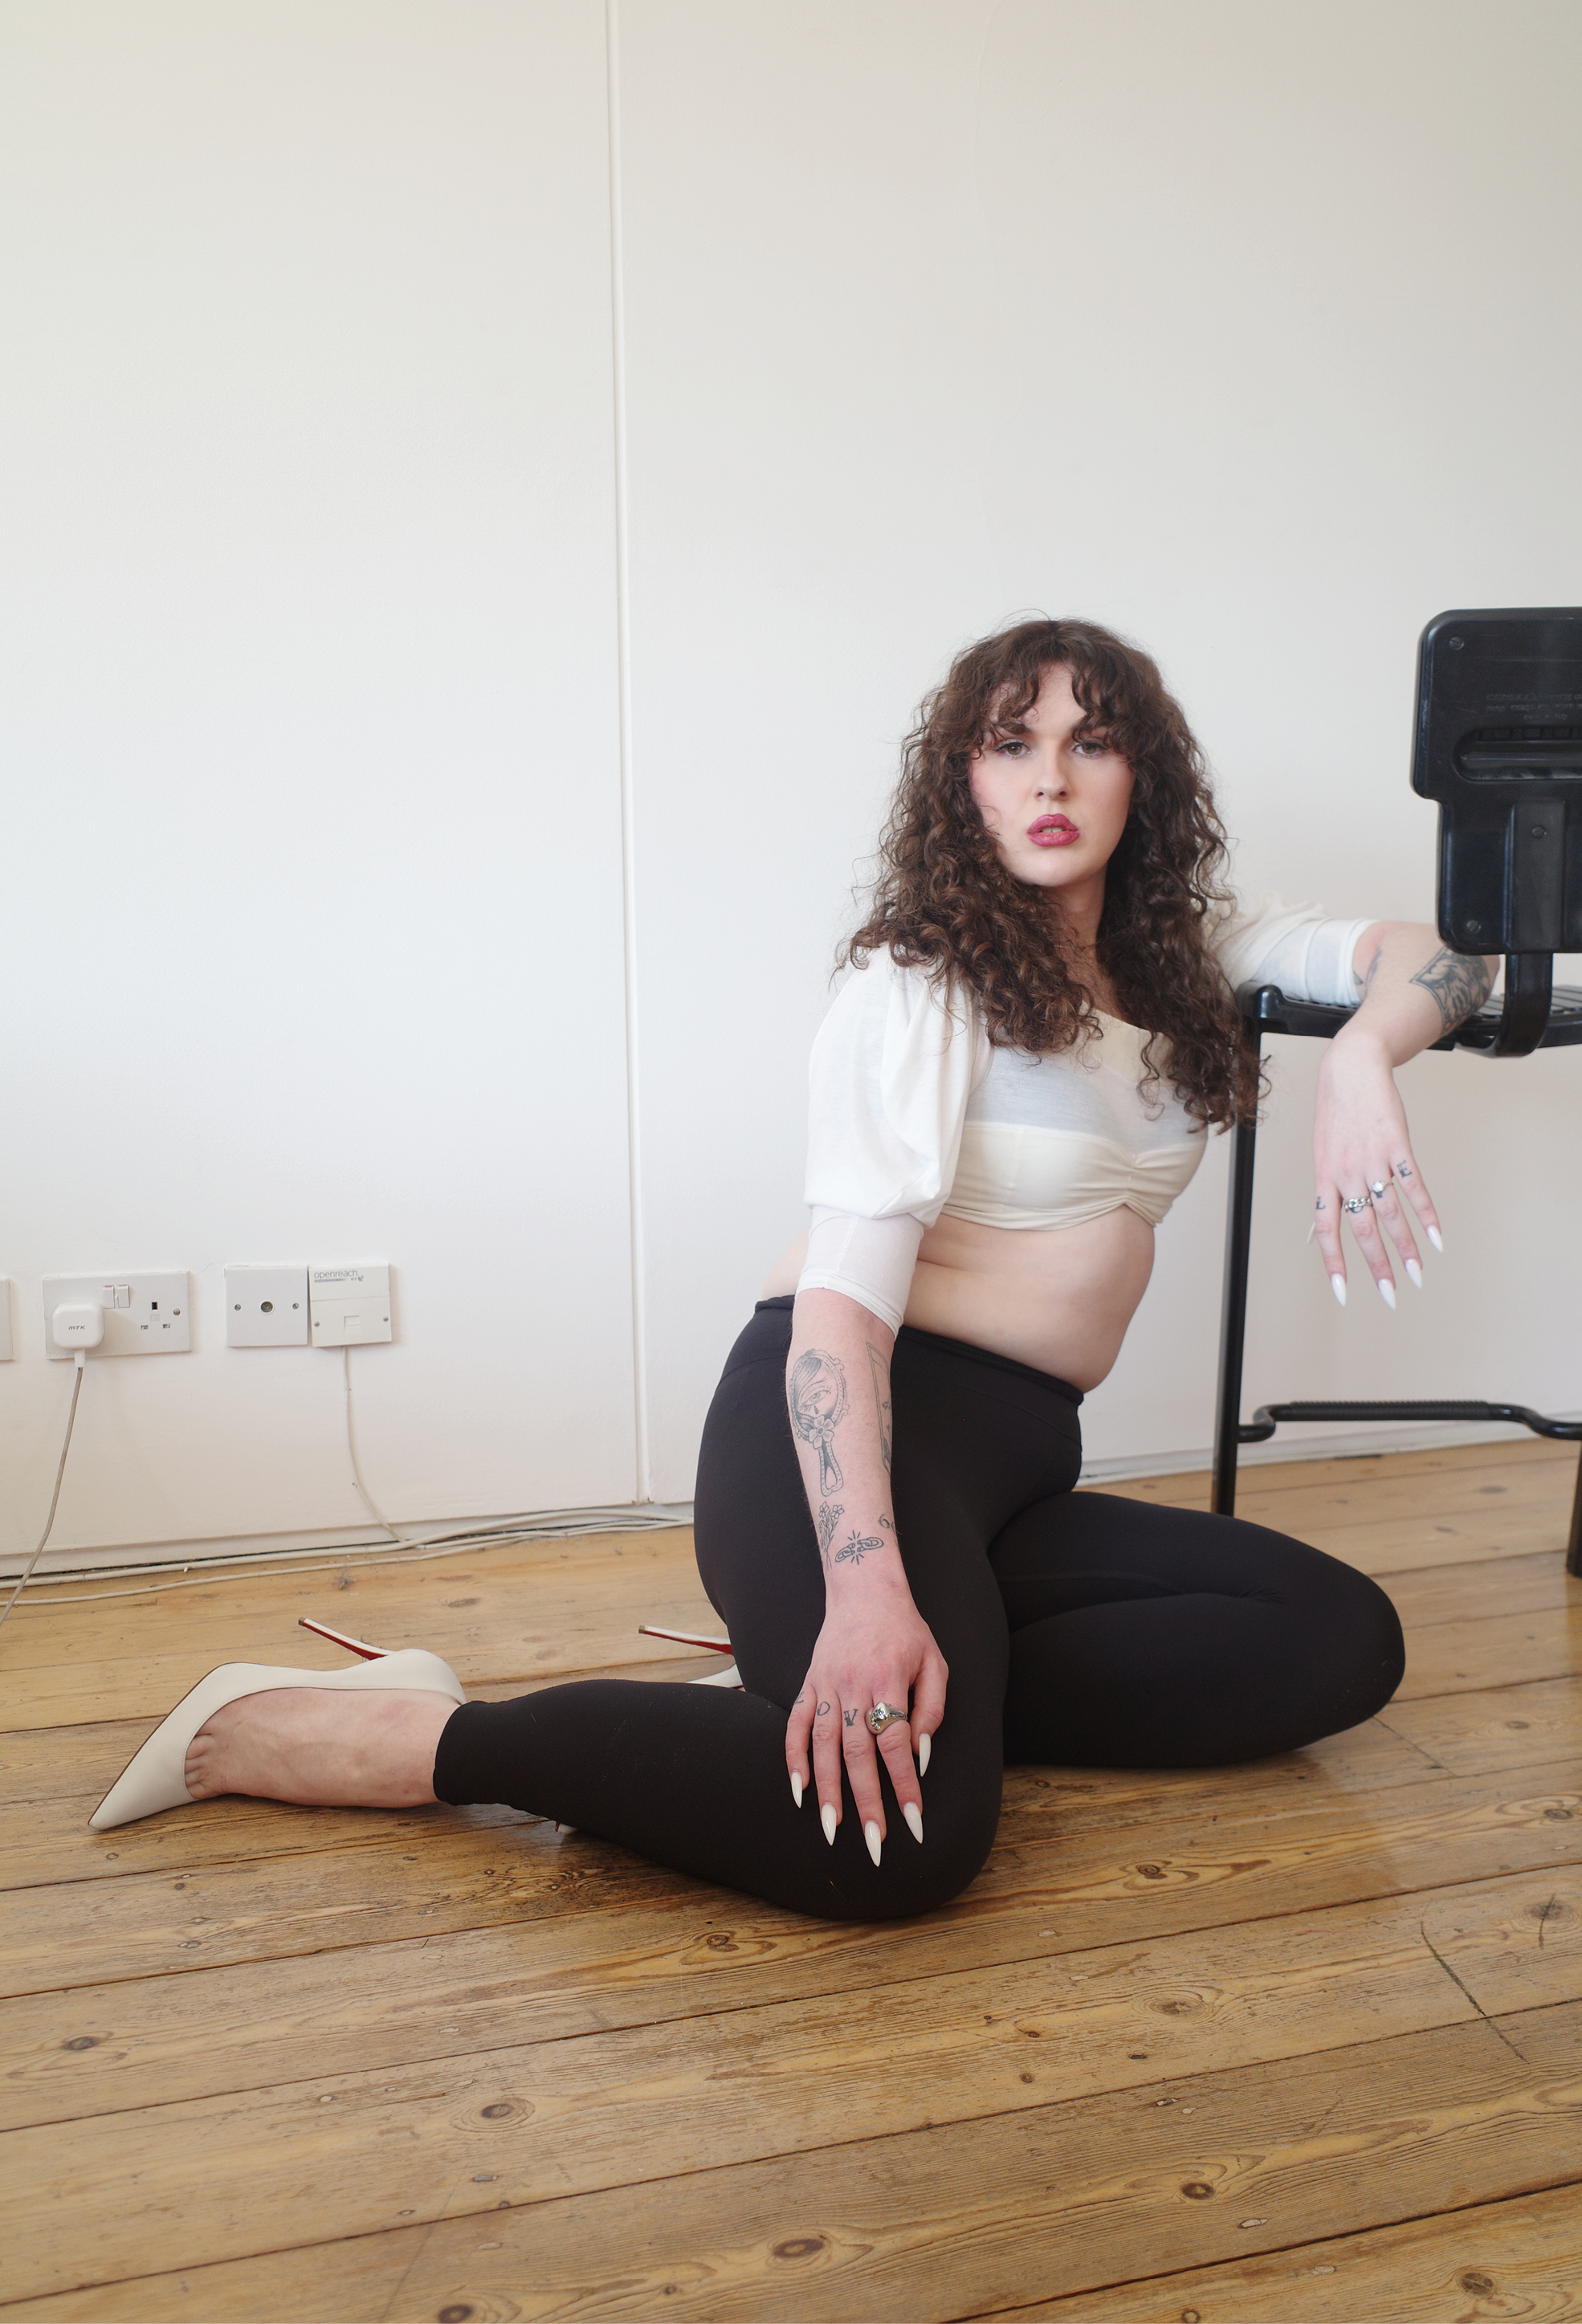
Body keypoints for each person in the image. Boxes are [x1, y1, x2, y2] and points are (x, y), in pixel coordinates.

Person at [92, 618, 1495, 1922]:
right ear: (962, 779)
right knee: (910, 1847)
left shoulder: (1189, 957)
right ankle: (405, 1732)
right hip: (840, 1427)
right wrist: (868, 1590)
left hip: (1009, 1471)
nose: (1049, 778)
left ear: (1147, 773)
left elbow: (1444, 953)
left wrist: (1361, 1057)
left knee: (1332, 1636)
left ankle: (824, 1699)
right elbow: (838, 1312)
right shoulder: (924, 980)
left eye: (1091, 741)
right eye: (1009, 743)